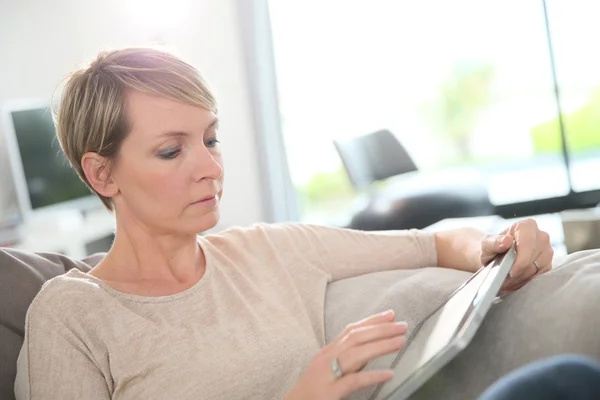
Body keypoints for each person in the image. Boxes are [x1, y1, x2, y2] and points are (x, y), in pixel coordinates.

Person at [14, 47, 554, 400]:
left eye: (210, 139)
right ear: (102, 173)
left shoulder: (268, 251)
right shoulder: (74, 314)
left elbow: (430, 242)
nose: (210, 167)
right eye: (171, 151)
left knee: (562, 382)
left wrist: (497, 245)